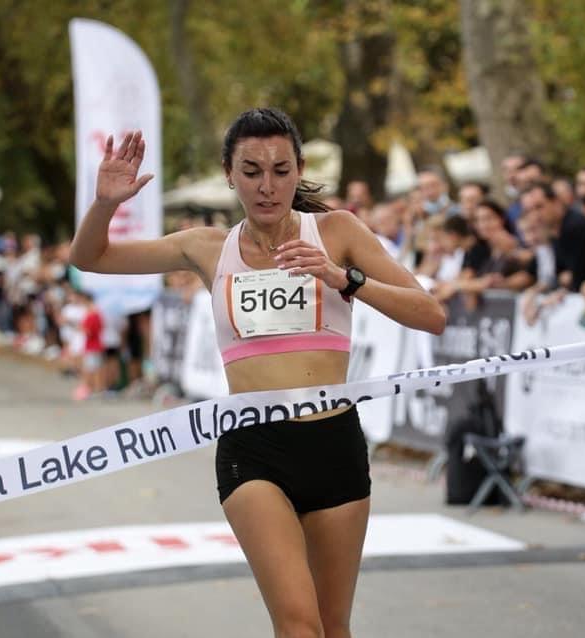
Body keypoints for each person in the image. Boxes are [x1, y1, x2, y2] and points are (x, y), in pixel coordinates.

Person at [70, 108, 446, 638]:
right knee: (298, 626)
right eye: (251, 172)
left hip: (334, 442)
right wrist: (105, 204)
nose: (267, 187)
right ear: (229, 173)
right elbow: (91, 258)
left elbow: (431, 315)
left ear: (298, 170)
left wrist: (345, 279)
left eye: (280, 170)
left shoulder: (337, 232)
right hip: (254, 448)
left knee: (332, 627)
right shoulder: (205, 246)